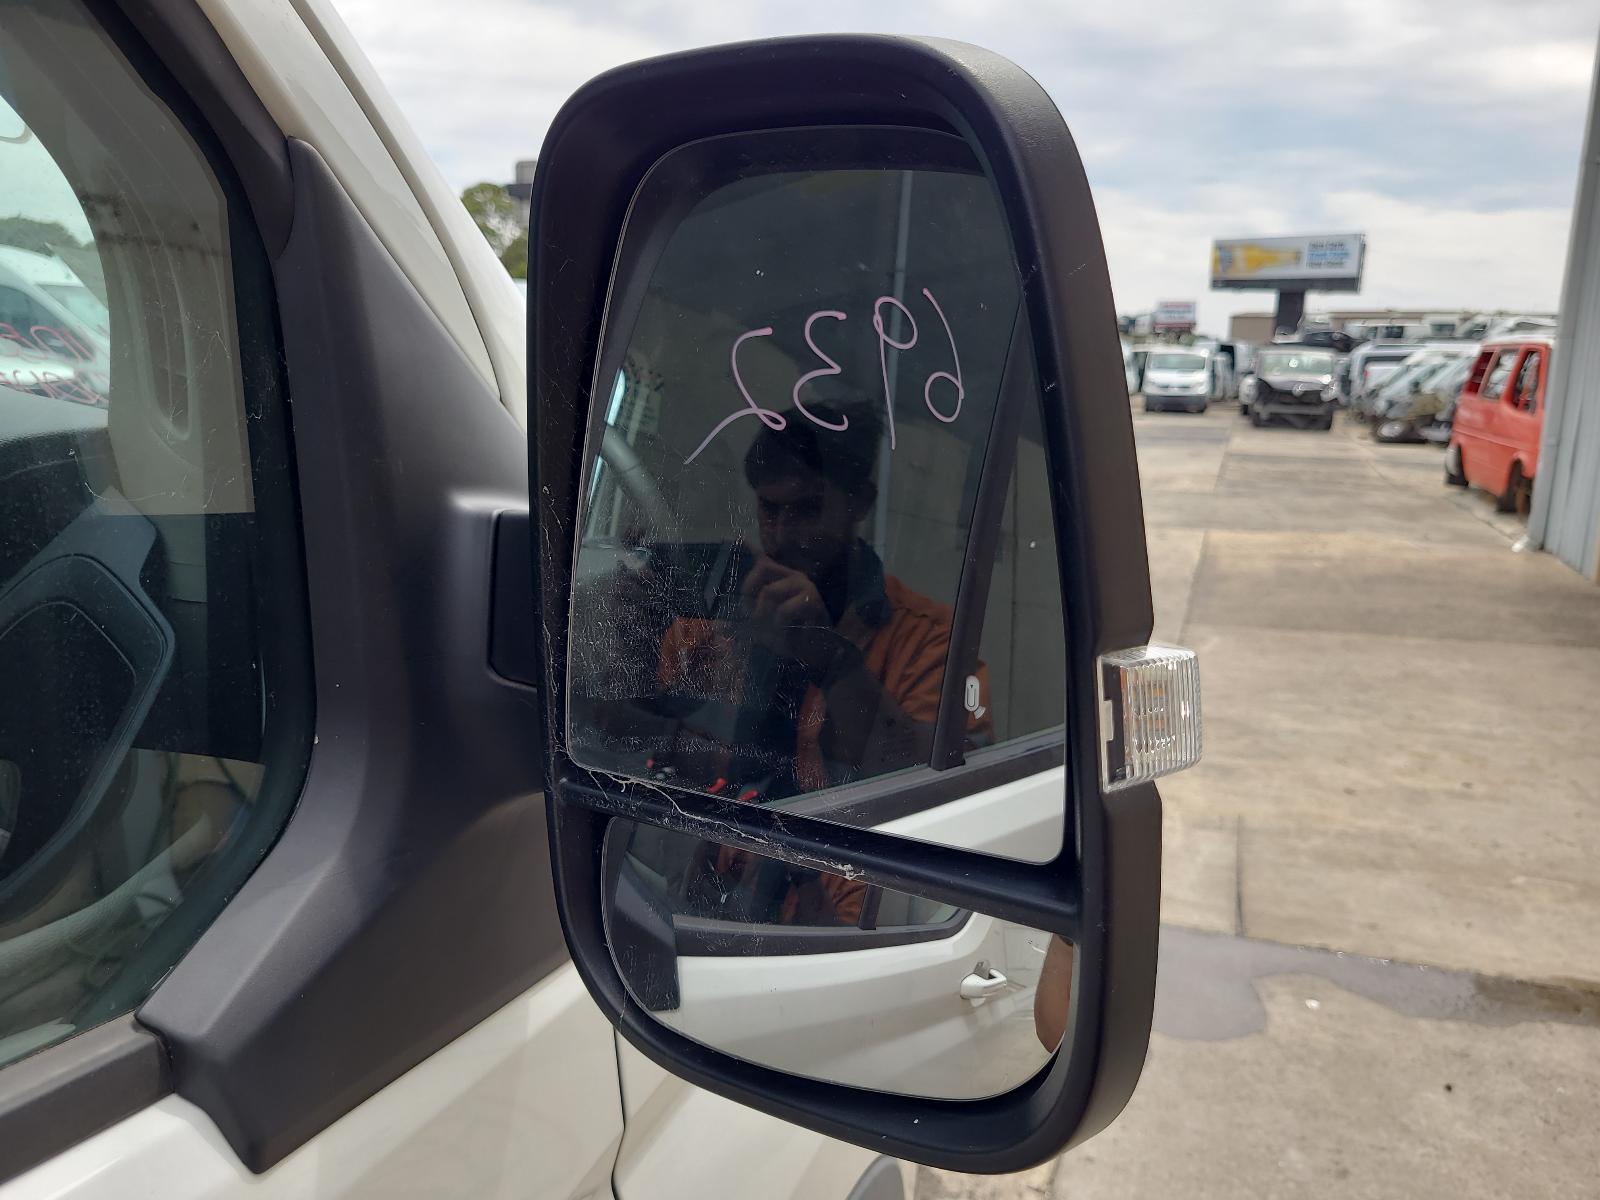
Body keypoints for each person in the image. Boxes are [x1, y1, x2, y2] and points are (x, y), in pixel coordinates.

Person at [652, 402, 990, 925]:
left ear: (860, 503)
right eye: (769, 510)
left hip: (842, 931)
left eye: (807, 509)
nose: (782, 534)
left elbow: (942, 800)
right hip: (702, 910)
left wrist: (833, 662)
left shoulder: (932, 640)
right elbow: (629, 748)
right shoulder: (710, 633)